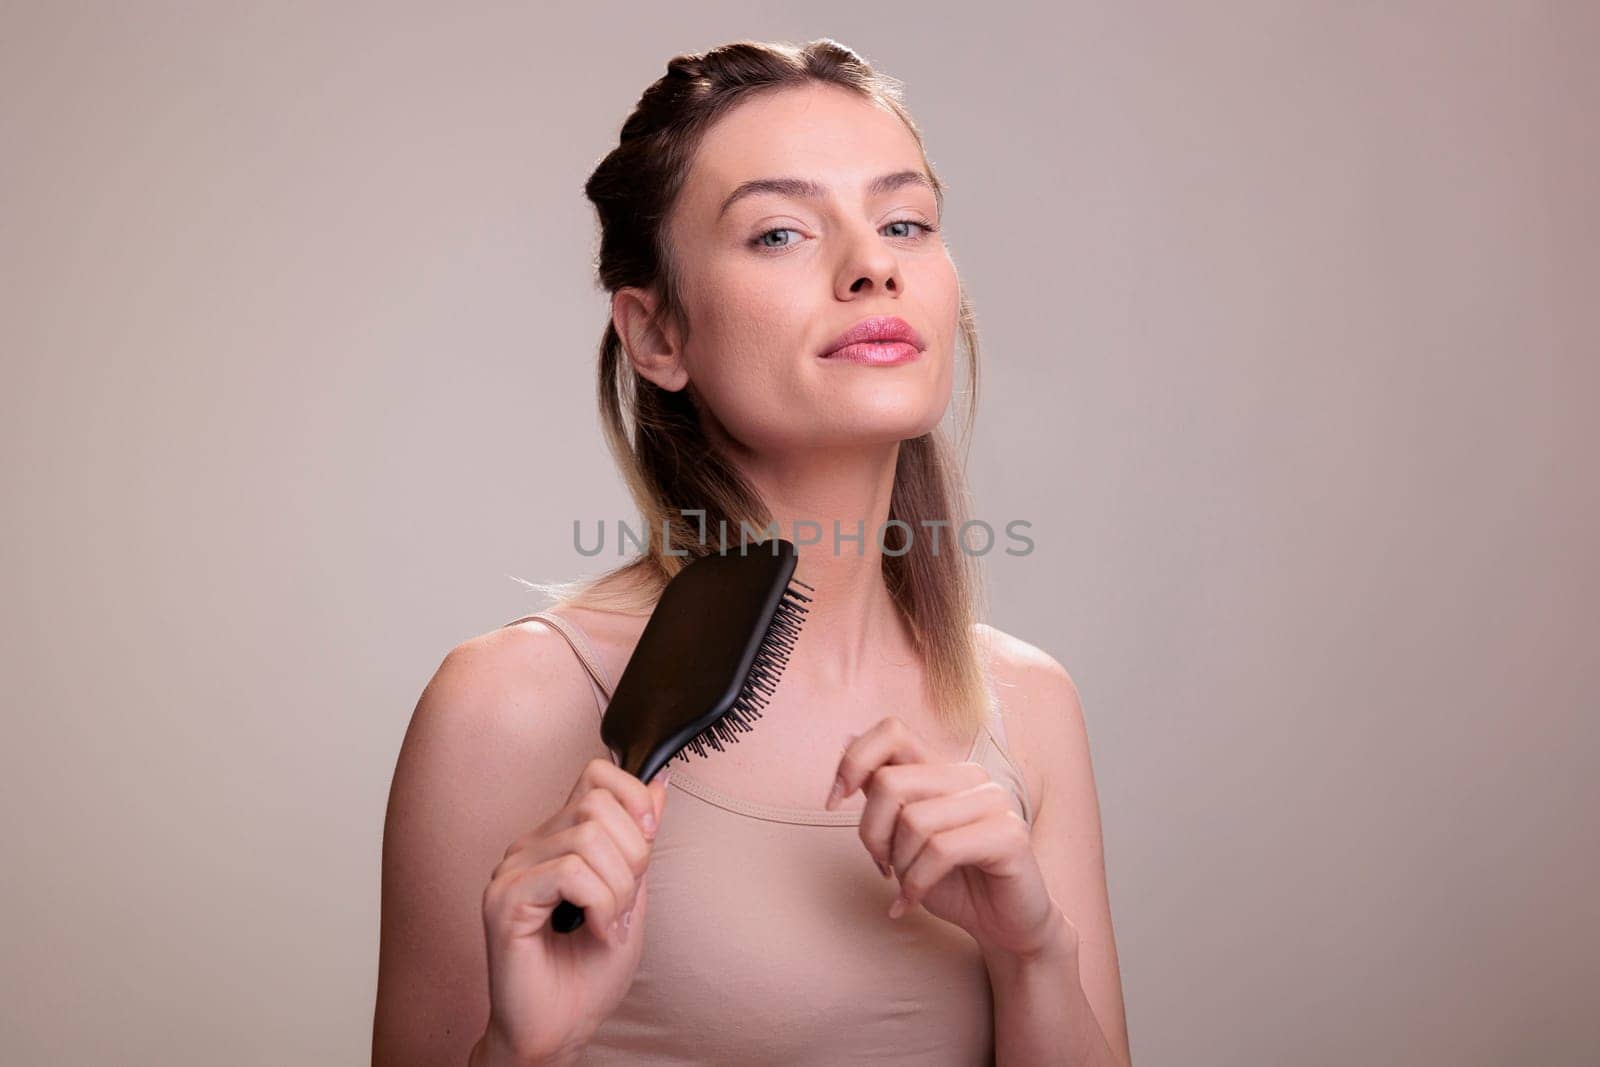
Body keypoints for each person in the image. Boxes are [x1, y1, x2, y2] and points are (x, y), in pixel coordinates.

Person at [373, 38, 1131, 1067]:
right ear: (656, 337)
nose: (873, 264)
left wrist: (1031, 953)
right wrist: (520, 1048)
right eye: (778, 232)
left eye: (904, 221)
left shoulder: (1027, 707)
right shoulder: (514, 704)